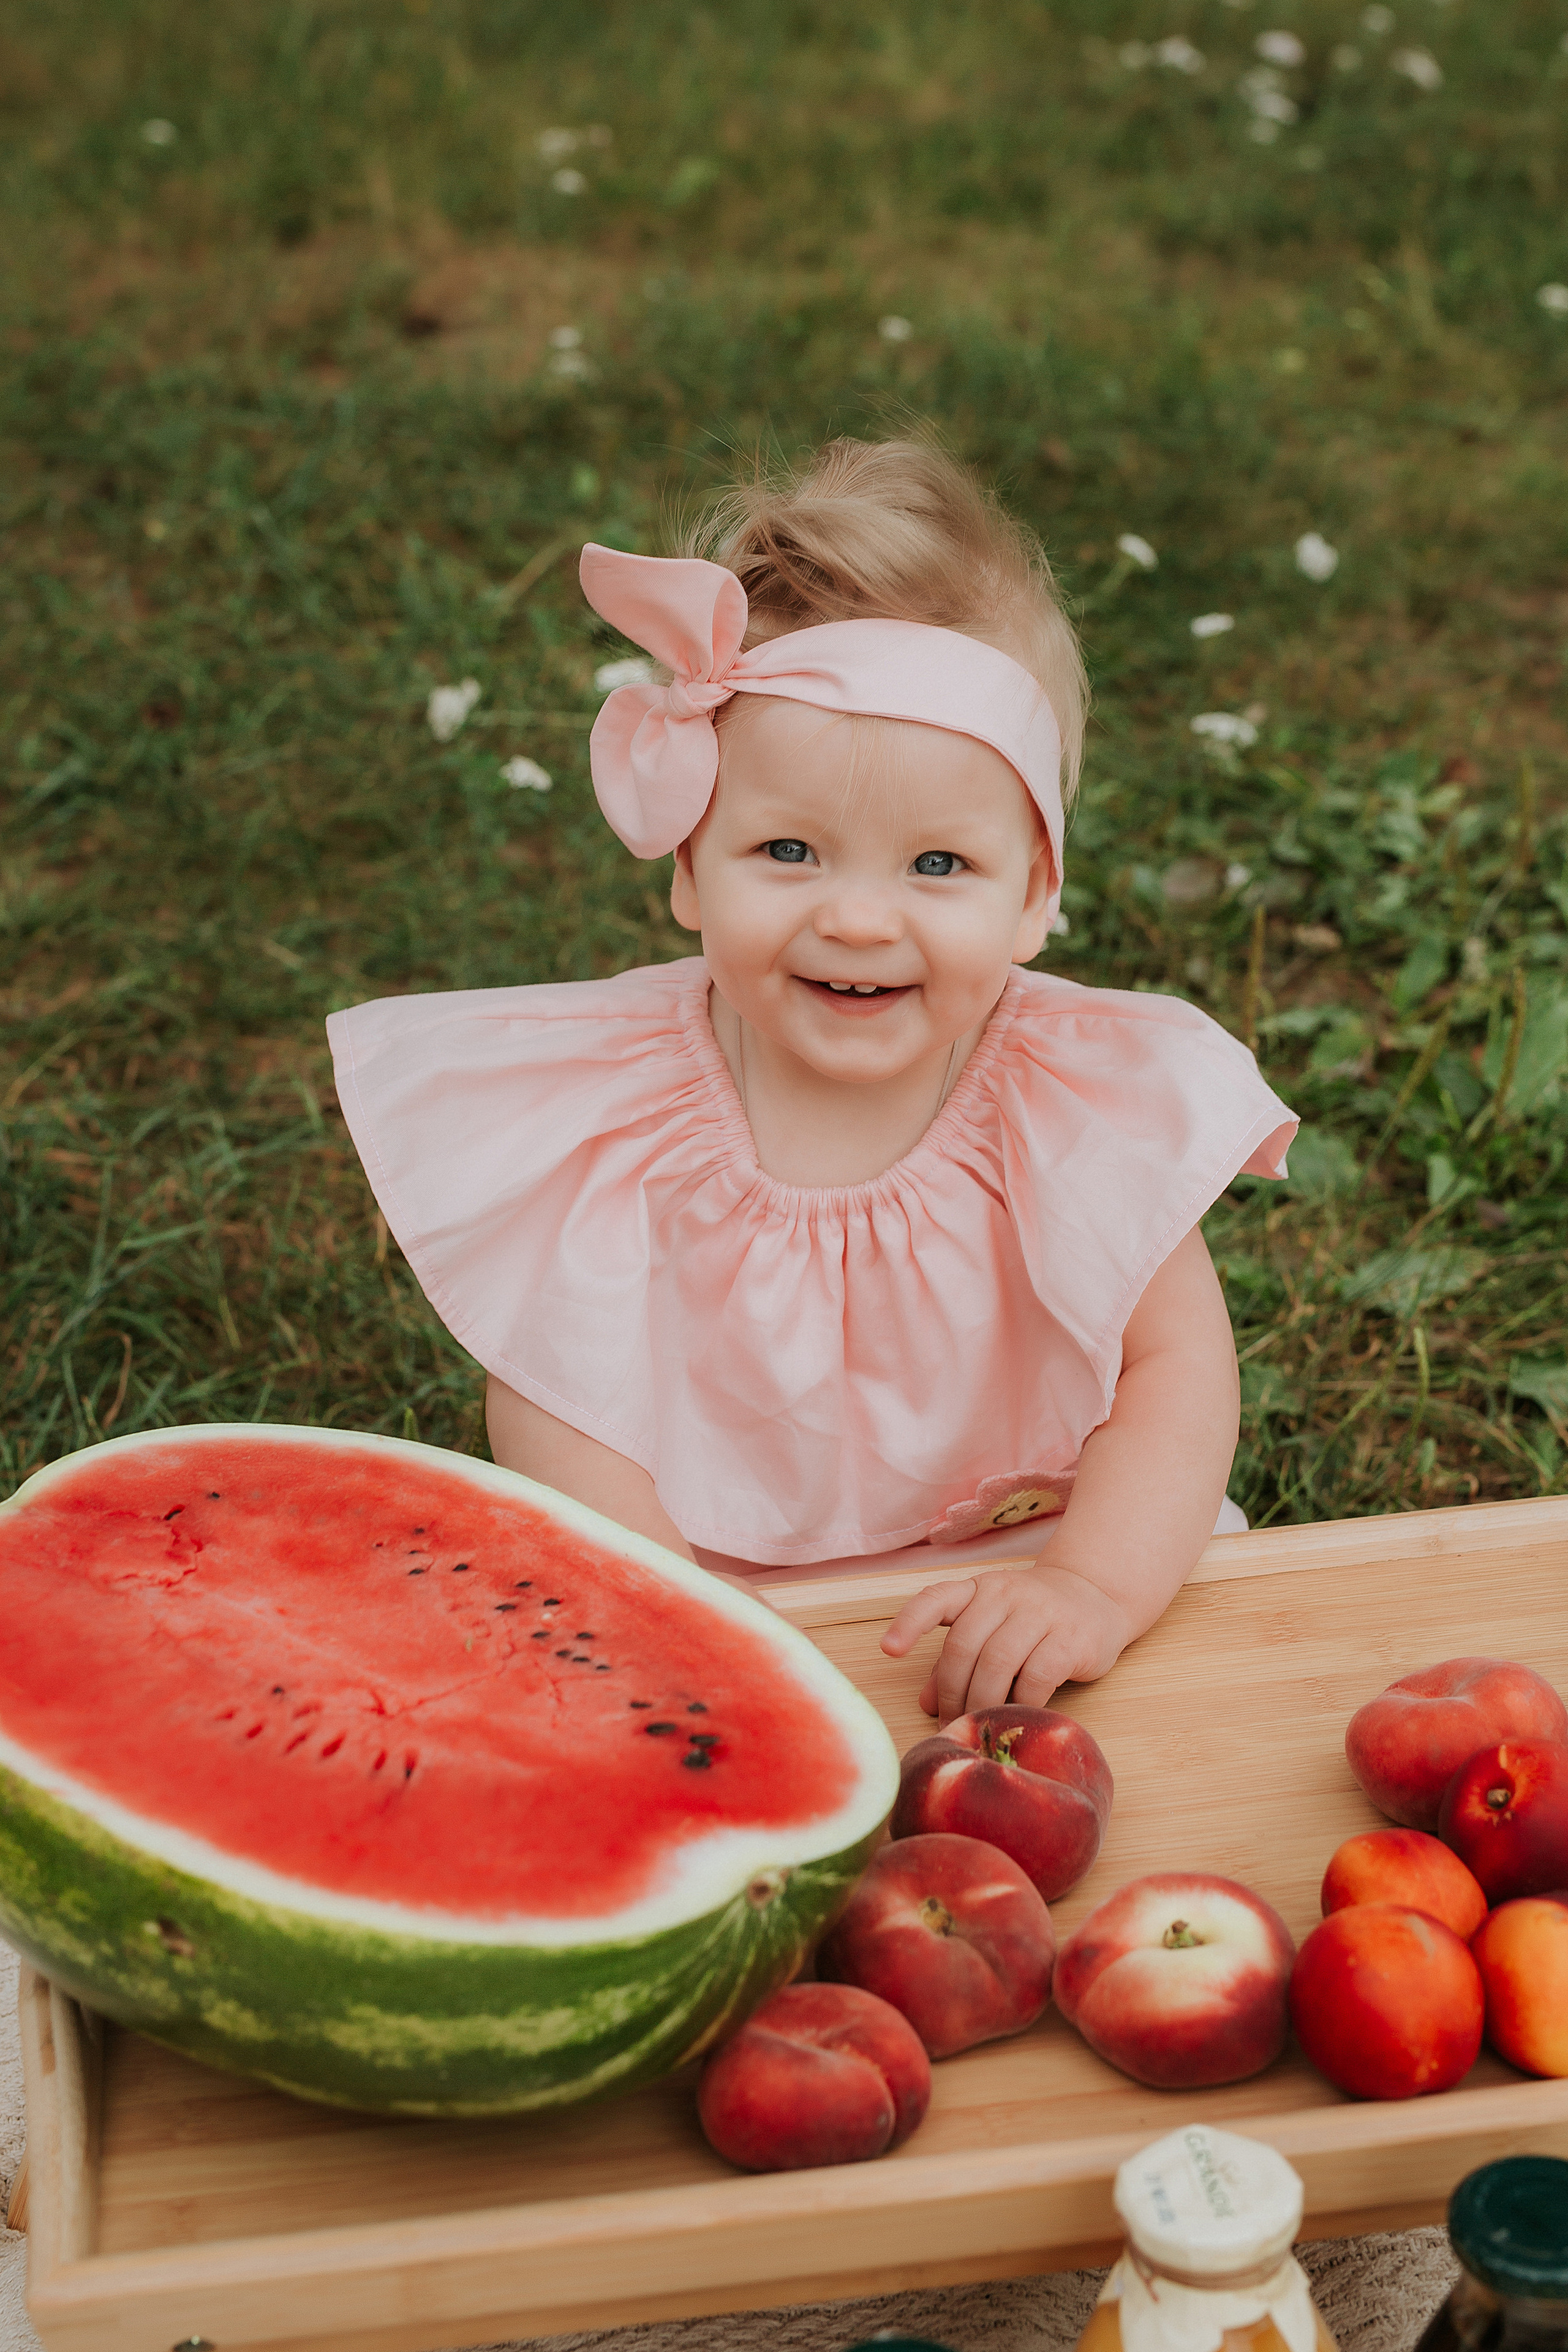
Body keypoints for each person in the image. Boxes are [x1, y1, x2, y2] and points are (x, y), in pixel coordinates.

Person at [328, 437, 1295, 1722]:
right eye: (788, 849)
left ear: (1034, 896)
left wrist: (1092, 1587)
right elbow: (561, 1400)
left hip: (1028, 1555)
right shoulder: (613, 1114)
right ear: (687, 870)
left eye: (936, 866)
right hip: (704, 1593)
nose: (856, 920)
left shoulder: (1064, 1101)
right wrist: (674, 1622)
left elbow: (1175, 1367)